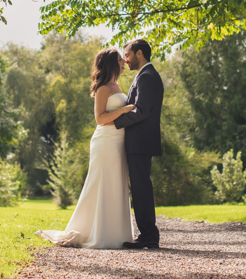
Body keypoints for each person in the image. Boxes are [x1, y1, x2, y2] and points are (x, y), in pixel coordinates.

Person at [36, 48, 137, 248]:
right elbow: (100, 119)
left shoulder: (116, 85)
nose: (124, 62)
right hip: (105, 142)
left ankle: (117, 234)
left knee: (117, 183)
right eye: (120, 60)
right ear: (111, 63)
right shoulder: (103, 88)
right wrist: (125, 109)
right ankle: (97, 233)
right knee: (101, 184)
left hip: (119, 141)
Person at [113, 39, 164, 249]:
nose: (126, 59)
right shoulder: (145, 76)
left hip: (140, 142)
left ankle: (149, 235)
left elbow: (141, 111)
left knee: (141, 188)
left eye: (128, 54)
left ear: (139, 53)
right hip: (140, 142)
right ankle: (148, 234)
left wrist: (115, 121)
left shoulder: (147, 77)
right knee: (141, 187)